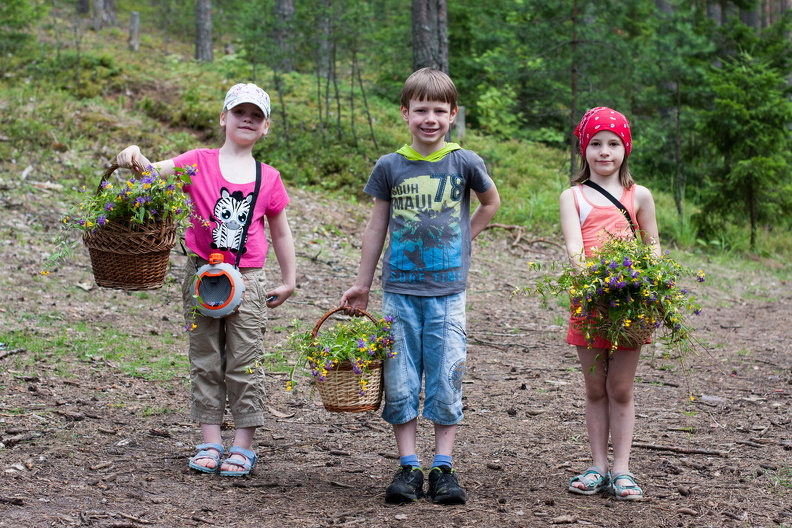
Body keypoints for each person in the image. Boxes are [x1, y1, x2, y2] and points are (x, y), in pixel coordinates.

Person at [115, 83, 296, 477]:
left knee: (245, 359)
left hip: (247, 279)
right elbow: (150, 173)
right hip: (201, 275)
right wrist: (134, 156)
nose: (247, 120)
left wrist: (290, 279)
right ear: (223, 118)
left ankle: (243, 446)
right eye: (239, 113)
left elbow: (280, 232)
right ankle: (210, 441)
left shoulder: (269, 177)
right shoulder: (196, 161)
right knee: (206, 357)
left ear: (266, 127)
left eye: (256, 116)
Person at [340, 68, 501, 505]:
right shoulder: (390, 166)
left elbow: (491, 203)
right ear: (405, 112)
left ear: (453, 114)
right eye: (420, 110)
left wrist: (465, 235)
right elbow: (377, 226)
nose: (429, 118)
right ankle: (409, 466)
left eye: (438, 110)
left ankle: (443, 467)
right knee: (401, 379)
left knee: (447, 377)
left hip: (449, 293)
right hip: (399, 291)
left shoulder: (465, 162)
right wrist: (362, 283)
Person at [559, 107, 659, 500]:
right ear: (584, 149)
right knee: (595, 388)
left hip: (631, 306)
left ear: (625, 149)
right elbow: (574, 249)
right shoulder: (573, 196)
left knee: (620, 388)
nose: (604, 151)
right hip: (589, 303)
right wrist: (595, 285)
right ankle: (598, 465)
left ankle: (622, 469)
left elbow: (652, 248)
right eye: (596, 143)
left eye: (613, 143)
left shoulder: (640, 196)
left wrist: (646, 286)